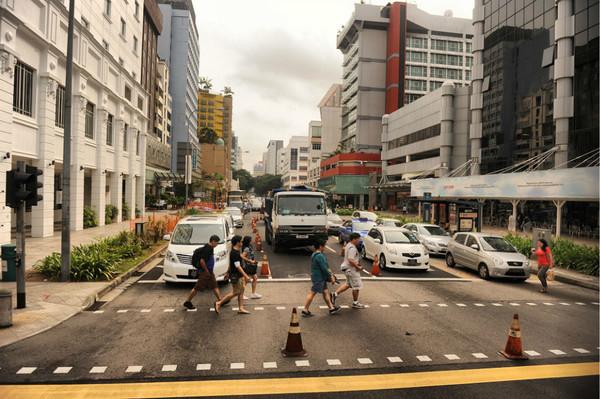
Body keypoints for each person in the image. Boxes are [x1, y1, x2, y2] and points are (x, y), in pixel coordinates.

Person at [302, 241, 341, 317]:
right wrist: (331, 276)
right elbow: (324, 268)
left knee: (325, 292)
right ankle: (305, 309)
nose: (325, 248)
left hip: (318, 276)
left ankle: (331, 308)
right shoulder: (320, 256)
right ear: (320, 246)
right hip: (319, 277)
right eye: (324, 246)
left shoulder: (314, 254)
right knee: (312, 293)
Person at [183, 235, 222, 311]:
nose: (217, 245)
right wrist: (206, 271)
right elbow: (202, 261)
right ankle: (188, 302)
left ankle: (220, 300)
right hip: (206, 272)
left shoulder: (210, 248)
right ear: (213, 241)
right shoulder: (208, 249)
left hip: (209, 272)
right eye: (216, 243)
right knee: (197, 287)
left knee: (214, 285)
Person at [215, 235, 251, 314]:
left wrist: (227, 272)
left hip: (238, 275)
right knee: (236, 292)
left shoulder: (237, 251)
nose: (242, 242)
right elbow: (238, 266)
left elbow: (231, 264)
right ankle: (219, 303)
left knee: (241, 291)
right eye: (241, 241)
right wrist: (246, 276)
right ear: (237, 243)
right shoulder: (234, 253)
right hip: (236, 276)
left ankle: (241, 308)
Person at [331, 232, 366, 309]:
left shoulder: (348, 245)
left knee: (348, 284)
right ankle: (355, 303)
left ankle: (335, 294)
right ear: (354, 239)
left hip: (347, 268)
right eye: (358, 239)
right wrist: (358, 267)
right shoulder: (352, 248)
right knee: (356, 286)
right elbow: (351, 259)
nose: (359, 240)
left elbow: (343, 254)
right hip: (351, 269)